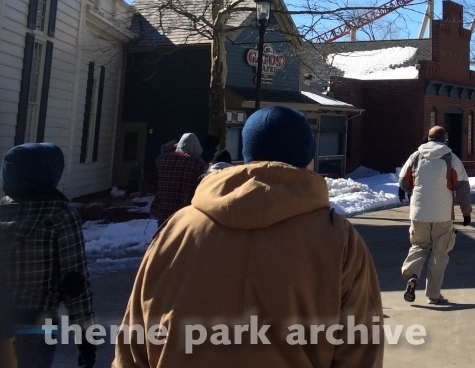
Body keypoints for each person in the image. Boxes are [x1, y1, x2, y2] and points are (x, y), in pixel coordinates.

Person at [115, 106, 382, 367]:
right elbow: (360, 352)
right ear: (308, 160)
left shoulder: (176, 230)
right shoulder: (339, 240)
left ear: (246, 155)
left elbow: (134, 342)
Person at [0, 143, 96, 368]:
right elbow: (75, 284)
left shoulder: (3, 210)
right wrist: (85, 338)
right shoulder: (60, 216)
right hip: (35, 326)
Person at [398, 126, 472, 305]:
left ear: (428, 138)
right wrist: (466, 211)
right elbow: (462, 187)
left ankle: (411, 271)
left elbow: (403, 182)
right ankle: (433, 294)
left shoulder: (415, 156)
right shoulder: (451, 158)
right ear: (444, 139)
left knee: (419, 245)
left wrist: (415, 190)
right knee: (440, 254)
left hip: (418, 212)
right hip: (443, 213)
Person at [149, 132, 207, 225]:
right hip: (184, 210)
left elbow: (165, 152)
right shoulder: (197, 163)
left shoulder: (162, 159)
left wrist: (175, 147)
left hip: (163, 210)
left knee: (163, 233)